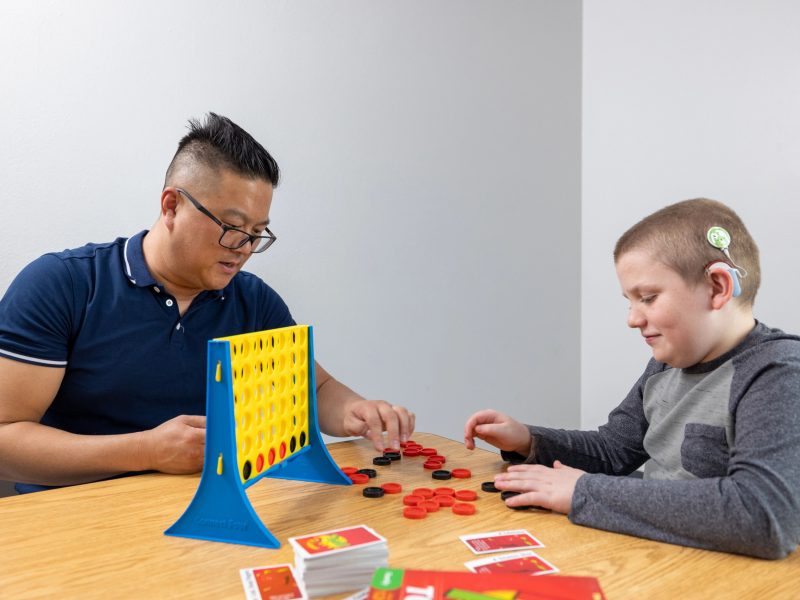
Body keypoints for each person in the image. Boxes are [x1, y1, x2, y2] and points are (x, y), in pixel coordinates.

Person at [0, 113, 414, 493]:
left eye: (257, 232)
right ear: (171, 205)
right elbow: (6, 439)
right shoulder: (63, 285)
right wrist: (146, 451)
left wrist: (357, 411)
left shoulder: (252, 300)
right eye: (231, 227)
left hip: (202, 516)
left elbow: (315, 387)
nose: (244, 248)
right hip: (68, 522)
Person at [464, 198, 800, 560]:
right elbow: (613, 450)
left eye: (648, 298)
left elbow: (763, 515)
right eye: (629, 301)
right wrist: (531, 441)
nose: (633, 319)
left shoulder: (778, 372)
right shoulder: (667, 364)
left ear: (717, 287)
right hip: (654, 560)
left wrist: (583, 492)